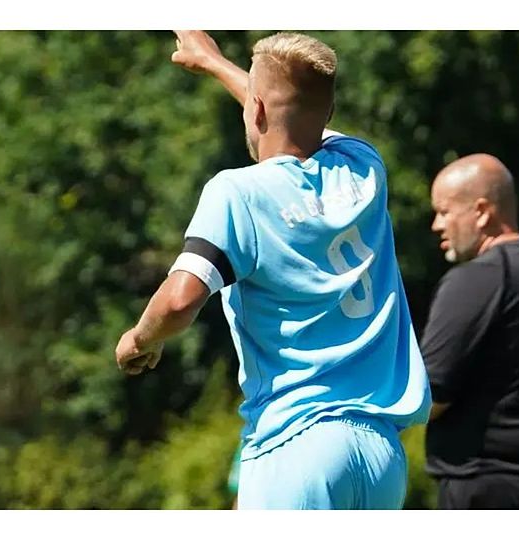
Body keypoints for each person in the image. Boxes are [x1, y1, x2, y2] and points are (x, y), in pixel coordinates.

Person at [114, 30, 431, 510]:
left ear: (256, 110)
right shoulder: (365, 167)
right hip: (382, 456)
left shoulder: (238, 193)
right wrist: (216, 64)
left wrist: (141, 338)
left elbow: (180, 300)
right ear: (327, 114)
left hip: (295, 445)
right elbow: (295, 109)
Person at [419, 154, 519, 509]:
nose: (436, 224)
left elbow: (429, 394)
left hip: (487, 487)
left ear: (481, 212)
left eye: (444, 211)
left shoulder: (477, 277)